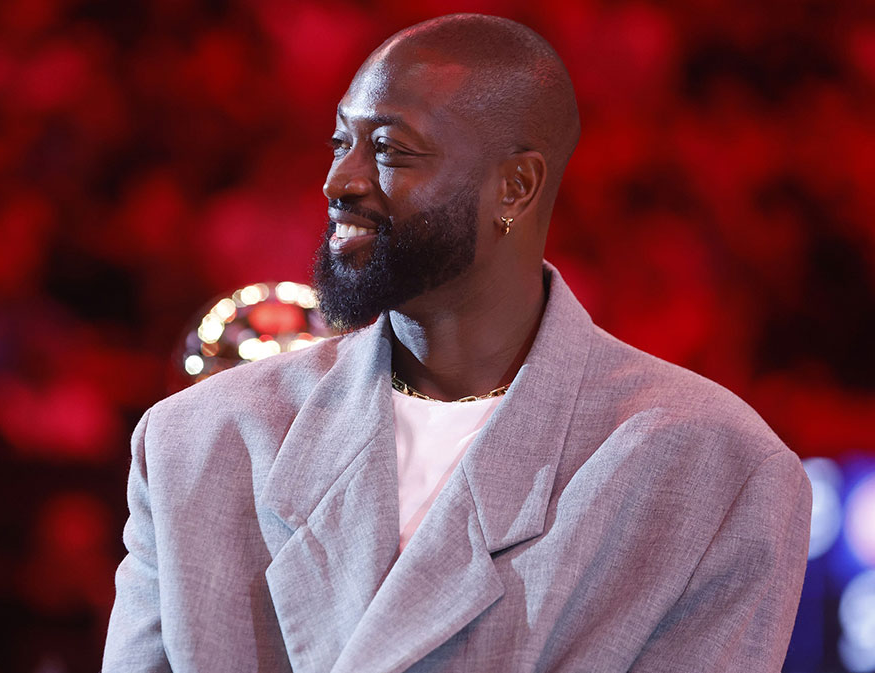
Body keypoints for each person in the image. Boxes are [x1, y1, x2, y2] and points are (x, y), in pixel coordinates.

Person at [102, 13, 810, 673]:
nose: (338, 181)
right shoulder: (192, 442)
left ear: (516, 187)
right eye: (340, 143)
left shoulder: (716, 468)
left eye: (388, 149)